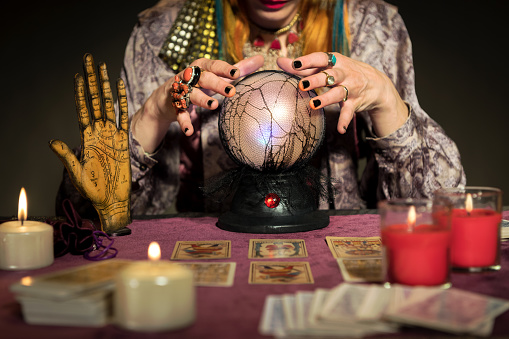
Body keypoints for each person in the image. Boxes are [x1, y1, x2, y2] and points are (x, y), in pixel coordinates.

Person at [57, 0, 465, 217]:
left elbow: (440, 209)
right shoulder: (164, 33)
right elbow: (84, 222)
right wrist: (151, 116)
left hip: (338, 269)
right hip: (209, 263)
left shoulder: (372, 26)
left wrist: (388, 105)